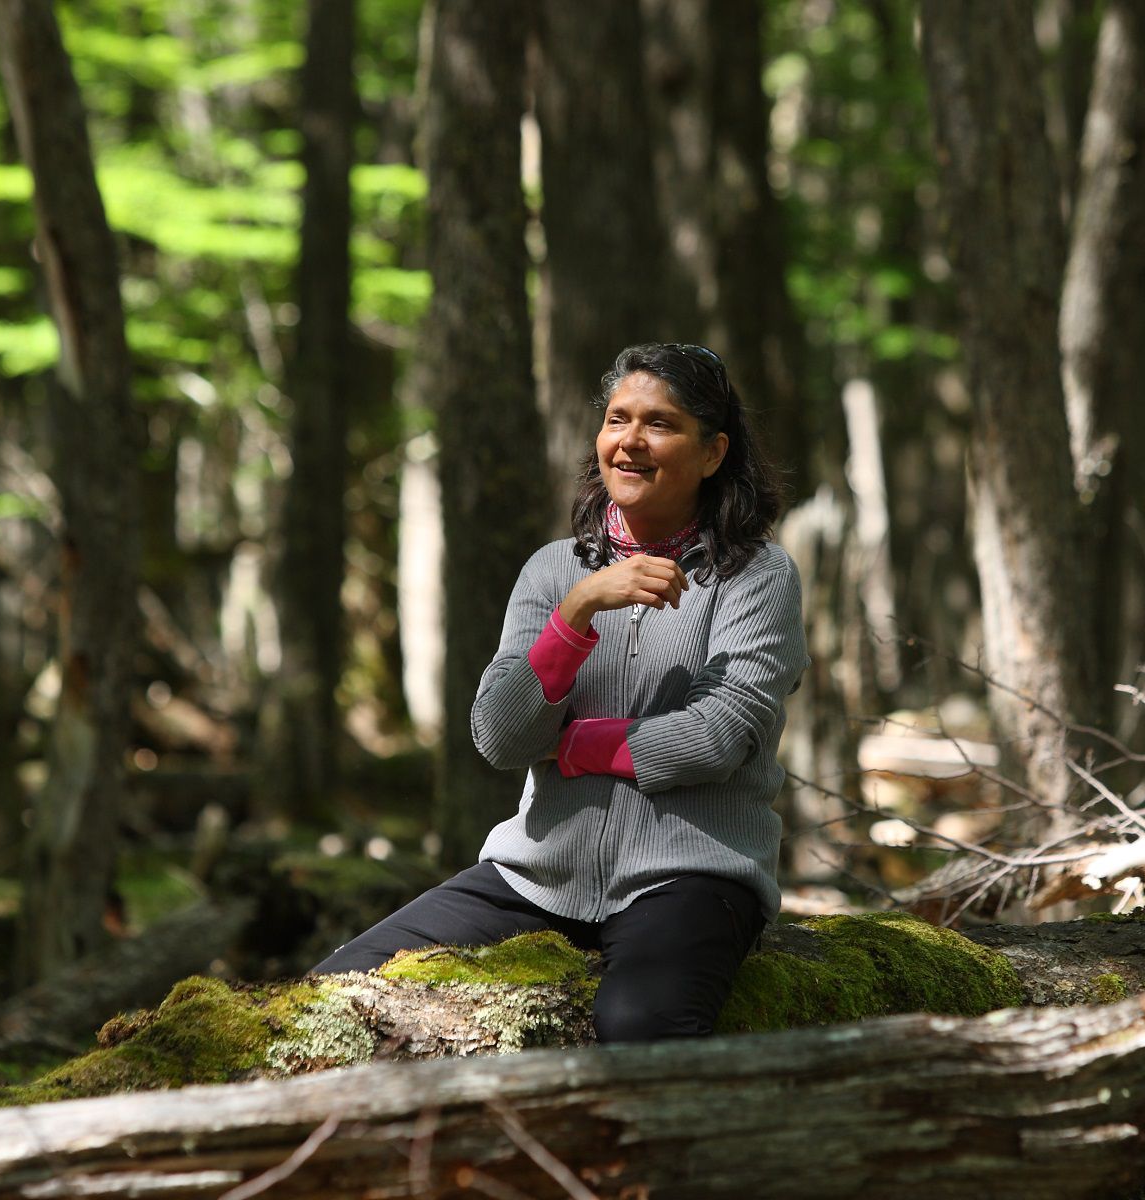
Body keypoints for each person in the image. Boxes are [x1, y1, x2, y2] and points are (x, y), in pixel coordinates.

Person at [312, 342, 808, 1043]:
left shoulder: (756, 577)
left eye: (660, 424)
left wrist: (575, 744)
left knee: (640, 1025)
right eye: (617, 419)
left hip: (691, 875)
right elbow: (501, 736)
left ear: (712, 452)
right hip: (538, 875)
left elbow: (717, 737)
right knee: (333, 988)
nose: (630, 441)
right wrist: (575, 614)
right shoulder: (555, 571)